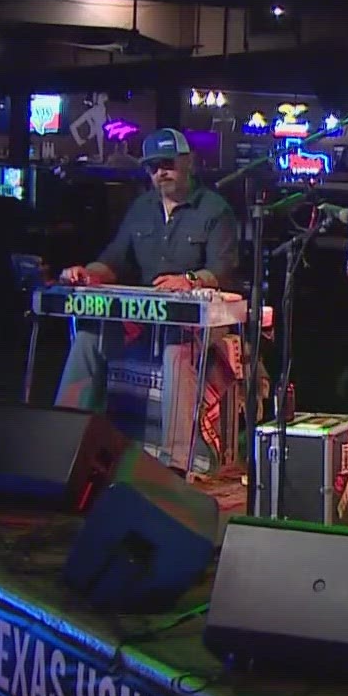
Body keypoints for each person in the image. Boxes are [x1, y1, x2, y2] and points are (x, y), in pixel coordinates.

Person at [53, 128, 240, 472]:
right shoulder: (141, 207)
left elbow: (223, 270)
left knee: (176, 350)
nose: (160, 173)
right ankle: (65, 444)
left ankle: (177, 464)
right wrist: (88, 273)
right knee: (88, 339)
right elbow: (114, 259)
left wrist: (189, 281)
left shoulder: (215, 210)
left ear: (189, 163)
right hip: (146, 314)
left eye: (167, 164)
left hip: (201, 321)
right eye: (153, 167)